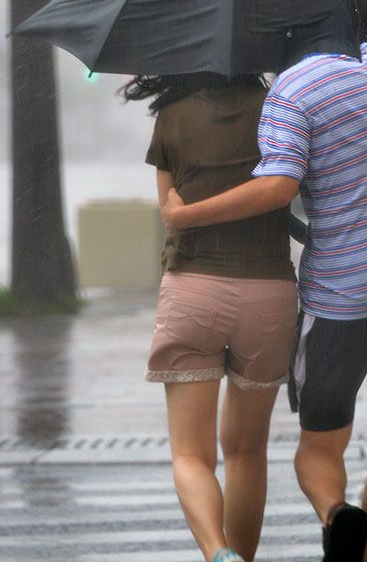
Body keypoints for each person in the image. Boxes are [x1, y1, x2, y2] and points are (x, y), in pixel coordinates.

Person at [161, 41, 367, 562]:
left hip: (345, 289)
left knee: (319, 447)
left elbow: (278, 185)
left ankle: (334, 512)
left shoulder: (292, 90)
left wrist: (187, 216)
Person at [122, 72, 298, 562]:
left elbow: (169, 207)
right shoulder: (280, 106)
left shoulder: (173, 111)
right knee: (247, 452)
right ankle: (242, 554)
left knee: (191, 455)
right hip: (268, 294)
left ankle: (218, 554)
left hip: (193, 290)